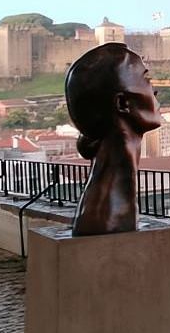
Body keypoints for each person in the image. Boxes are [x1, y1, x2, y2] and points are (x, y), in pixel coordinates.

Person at [64, 43, 162, 235]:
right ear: (123, 103)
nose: (155, 91)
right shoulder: (107, 210)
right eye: (146, 79)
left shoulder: (106, 196)